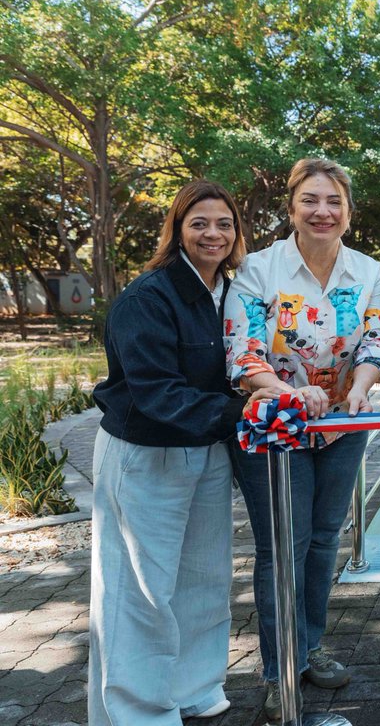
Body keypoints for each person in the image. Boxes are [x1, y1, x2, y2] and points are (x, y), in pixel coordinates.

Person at [226, 158, 380, 719]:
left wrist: (363, 388)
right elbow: (244, 351)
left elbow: (375, 341)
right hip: (278, 426)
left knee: (324, 539)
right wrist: (288, 392)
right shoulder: (258, 269)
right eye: (310, 201)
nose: (323, 212)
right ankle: (278, 672)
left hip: (343, 424)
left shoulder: (369, 270)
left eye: (334, 202)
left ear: (347, 210)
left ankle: (311, 645)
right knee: (283, 546)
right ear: (292, 207)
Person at [89, 180, 247, 724]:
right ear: (178, 229)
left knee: (205, 579)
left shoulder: (231, 292)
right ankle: (136, 711)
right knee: (140, 591)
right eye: (199, 222)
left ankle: (195, 688)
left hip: (207, 451)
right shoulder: (147, 297)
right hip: (146, 452)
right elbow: (156, 392)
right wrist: (243, 413)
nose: (213, 233)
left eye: (224, 223)